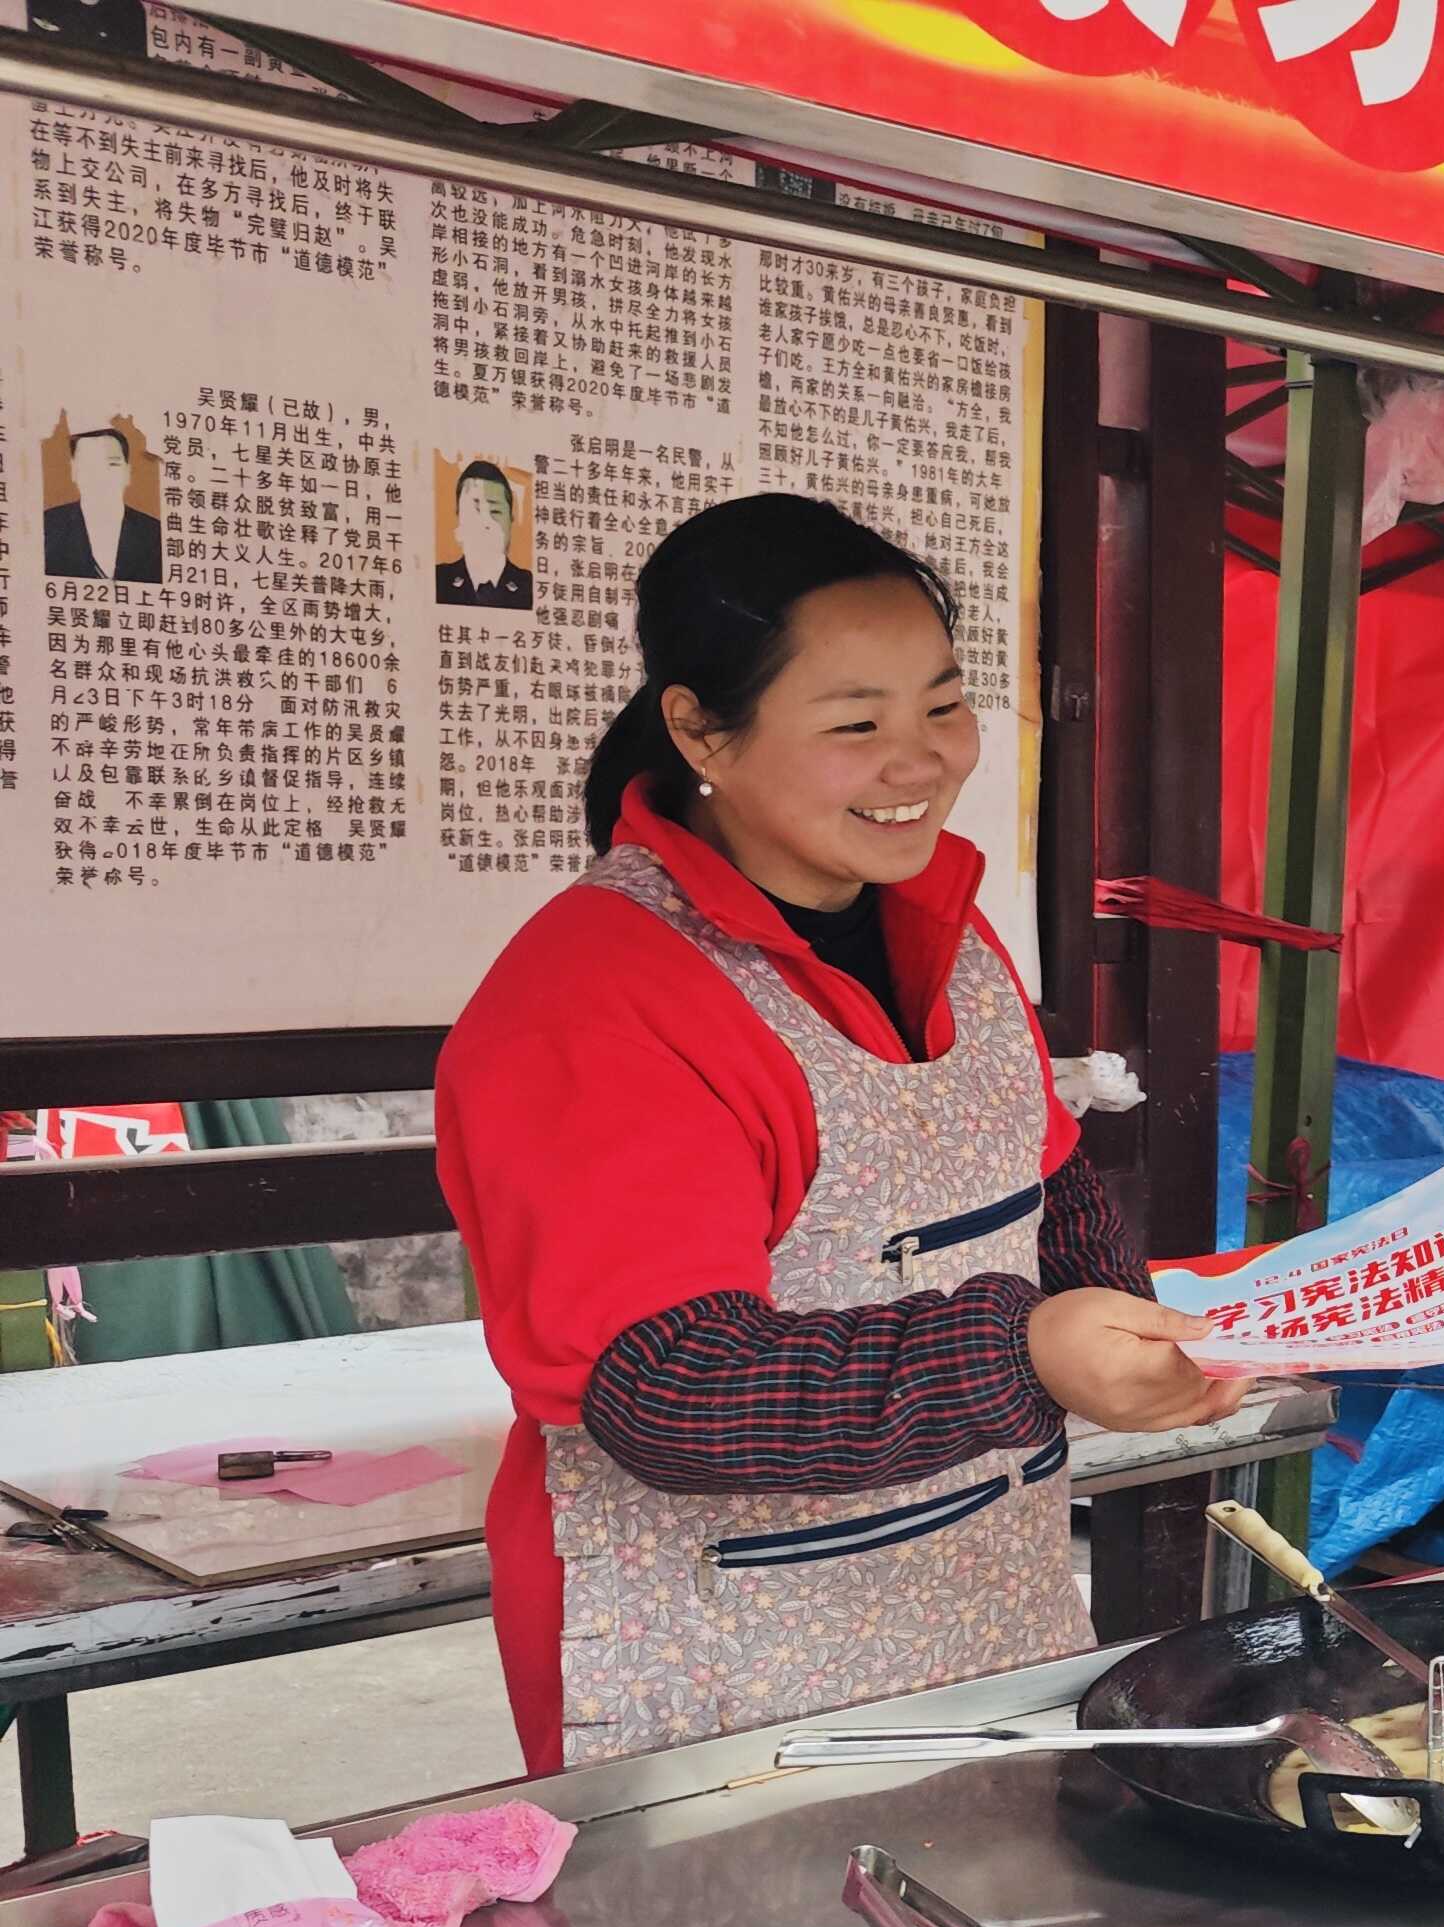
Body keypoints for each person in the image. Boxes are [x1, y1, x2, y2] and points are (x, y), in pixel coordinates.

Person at [440, 493, 1229, 1775]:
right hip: (726, 1653)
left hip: (987, 1595)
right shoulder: (594, 1000)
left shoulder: (941, 923)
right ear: (699, 727)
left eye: (942, 705)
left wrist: (1118, 1309)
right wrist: (1024, 1352)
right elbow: (668, 1385)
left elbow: (1038, 1169)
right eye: (856, 724)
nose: (919, 762)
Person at [43, 423, 160, 584]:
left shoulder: (155, 534)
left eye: (112, 464)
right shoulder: (47, 527)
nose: (100, 476)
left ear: (127, 473)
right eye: (89, 465)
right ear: (74, 471)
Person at [438, 459, 535, 609]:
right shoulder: (438, 580)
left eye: (495, 511)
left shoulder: (531, 587)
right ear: (459, 516)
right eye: (473, 511)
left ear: (511, 518)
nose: (485, 523)